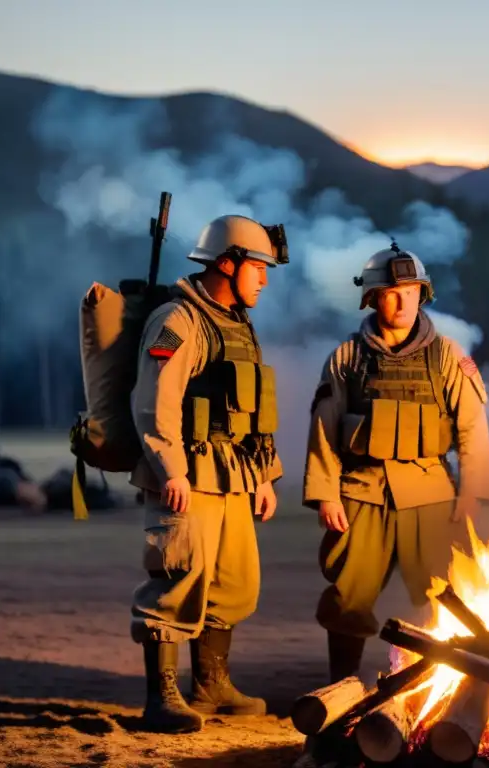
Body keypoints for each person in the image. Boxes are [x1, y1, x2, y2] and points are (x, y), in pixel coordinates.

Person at [304, 242, 489, 684]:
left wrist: (470, 493)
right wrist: (326, 494)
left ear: (422, 295)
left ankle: (448, 685)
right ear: (372, 297)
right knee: (348, 595)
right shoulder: (348, 358)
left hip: (430, 493)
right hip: (361, 492)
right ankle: (343, 686)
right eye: (392, 292)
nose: (402, 300)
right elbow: (324, 429)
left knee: (447, 595)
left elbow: (471, 427)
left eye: (411, 291)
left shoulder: (448, 356)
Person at [129, 214, 289, 733]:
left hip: (234, 474)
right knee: (180, 578)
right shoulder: (179, 320)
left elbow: (250, 411)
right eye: (257, 267)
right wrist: (169, 469)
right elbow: (156, 403)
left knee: (235, 583)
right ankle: (163, 697)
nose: (264, 278)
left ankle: (211, 683)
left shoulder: (237, 322)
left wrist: (263, 476)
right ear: (227, 263)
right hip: (189, 472)